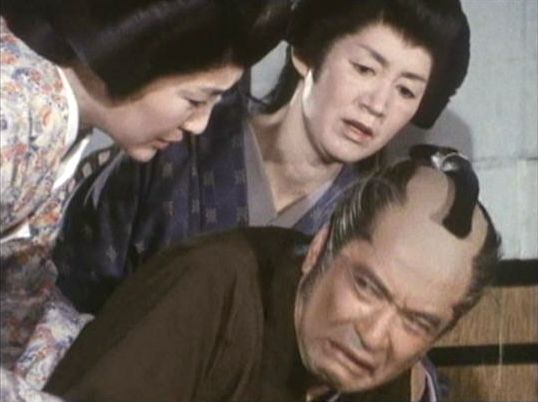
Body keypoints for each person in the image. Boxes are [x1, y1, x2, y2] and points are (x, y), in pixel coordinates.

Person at [53, 0, 471, 314]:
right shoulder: (177, 141)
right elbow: (65, 291)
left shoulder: (370, 221)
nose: (377, 105)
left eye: (406, 91)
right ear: (306, 56)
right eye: (364, 68)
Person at [44, 145, 501, 401]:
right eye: (366, 286)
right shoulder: (210, 286)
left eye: (417, 322)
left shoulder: (385, 379)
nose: (375, 335)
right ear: (320, 248)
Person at [0, 0, 289, 398]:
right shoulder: (15, 116)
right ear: (134, 56)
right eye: (195, 100)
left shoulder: (54, 113)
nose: (199, 124)